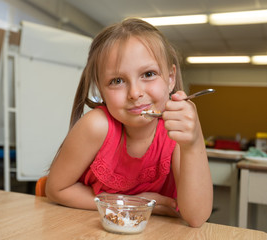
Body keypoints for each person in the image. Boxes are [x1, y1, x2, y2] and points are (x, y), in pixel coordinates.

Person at [45, 18, 213, 228]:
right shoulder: (96, 126)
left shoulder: (176, 134)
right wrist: (134, 204)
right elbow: (55, 190)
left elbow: (197, 217)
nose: (134, 93)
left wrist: (194, 142)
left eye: (149, 74)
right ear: (100, 88)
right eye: (117, 81)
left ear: (170, 78)